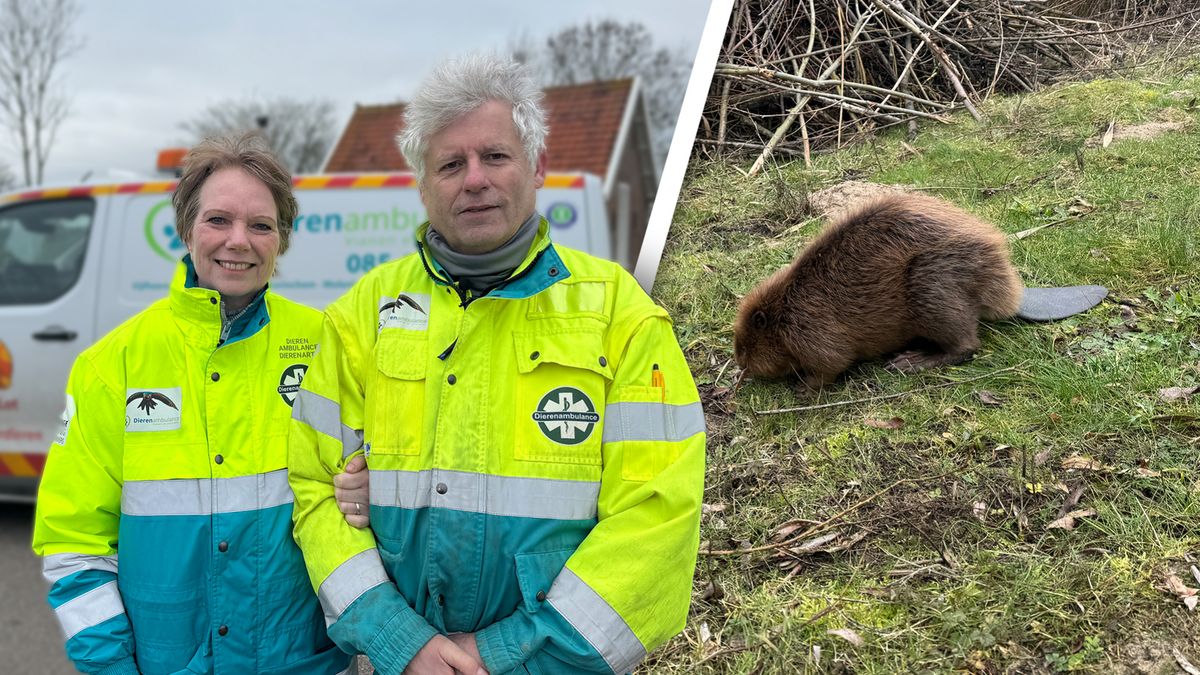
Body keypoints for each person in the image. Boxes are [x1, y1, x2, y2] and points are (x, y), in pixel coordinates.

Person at [288, 53, 706, 675]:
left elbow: (658, 514)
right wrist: (399, 639)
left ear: (537, 166)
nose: (475, 179)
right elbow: (315, 487)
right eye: (450, 164)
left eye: (495, 156)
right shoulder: (362, 315)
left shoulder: (622, 316)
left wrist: (506, 653)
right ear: (423, 185)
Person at [32, 133, 352, 675]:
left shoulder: (326, 344)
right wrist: (113, 668)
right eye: (218, 220)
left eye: (261, 225)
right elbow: (73, 545)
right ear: (186, 229)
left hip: (302, 662)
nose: (238, 241)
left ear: (281, 240)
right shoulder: (112, 364)